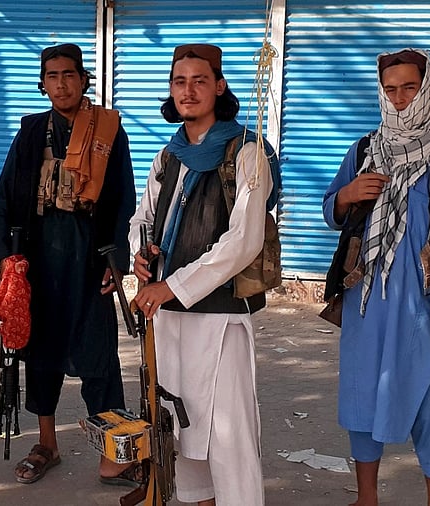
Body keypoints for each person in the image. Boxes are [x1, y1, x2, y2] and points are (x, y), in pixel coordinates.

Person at [321, 48, 430, 506]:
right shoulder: (364, 149)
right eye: (390, 89)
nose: (399, 99)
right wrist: (346, 195)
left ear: (427, 88)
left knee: (426, 401)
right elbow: (331, 211)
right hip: (364, 301)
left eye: (409, 88)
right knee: (361, 400)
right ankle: (366, 497)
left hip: (421, 304)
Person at [130, 43, 276, 506]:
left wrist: (172, 285)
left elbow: (244, 241)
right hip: (167, 316)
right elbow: (142, 218)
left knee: (228, 434)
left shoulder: (247, 153)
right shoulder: (168, 155)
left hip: (219, 317)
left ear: (219, 86)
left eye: (198, 81)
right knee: (180, 424)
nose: (188, 91)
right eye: (179, 81)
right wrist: (140, 253)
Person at [0, 43, 137, 486]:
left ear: (84, 79)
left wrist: (117, 258)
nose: (61, 84)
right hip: (40, 260)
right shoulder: (32, 132)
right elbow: (4, 198)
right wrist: (7, 261)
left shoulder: (109, 130)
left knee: (98, 357)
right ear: (43, 83)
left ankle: (116, 453)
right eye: (52, 76)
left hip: (89, 258)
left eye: (69, 75)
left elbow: (124, 200)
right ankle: (46, 443)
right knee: (41, 355)